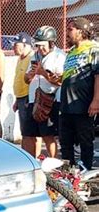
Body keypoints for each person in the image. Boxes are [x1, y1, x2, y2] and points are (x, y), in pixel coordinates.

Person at [60, 18, 98, 170]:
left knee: (85, 141)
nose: (68, 32)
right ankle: (68, 174)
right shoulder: (71, 52)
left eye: (71, 29)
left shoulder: (94, 49)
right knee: (65, 141)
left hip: (83, 104)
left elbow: (97, 76)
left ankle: (86, 172)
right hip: (67, 105)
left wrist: (96, 100)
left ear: (81, 31)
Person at [24, 26, 65, 158]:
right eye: (38, 45)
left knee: (48, 134)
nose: (40, 48)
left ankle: (53, 162)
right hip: (33, 99)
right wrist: (30, 75)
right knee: (28, 134)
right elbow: (26, 79)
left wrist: (43, 73)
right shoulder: (35, 56)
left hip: (49, 100)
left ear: (51, 43)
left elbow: (60, 81)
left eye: (43, 45)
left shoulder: (59, 56)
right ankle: (31, 161)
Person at [12, 32, 39, 156]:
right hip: (21, 98)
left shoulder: (31, 58)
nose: (13, 47)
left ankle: (35, 157)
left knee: (30, 132)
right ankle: (27, 155)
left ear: (24, 44)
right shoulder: (20, 59)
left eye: (16, 44)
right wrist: (17, 100)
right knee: (25, 131)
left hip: (29, 98)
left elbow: (31, 79)